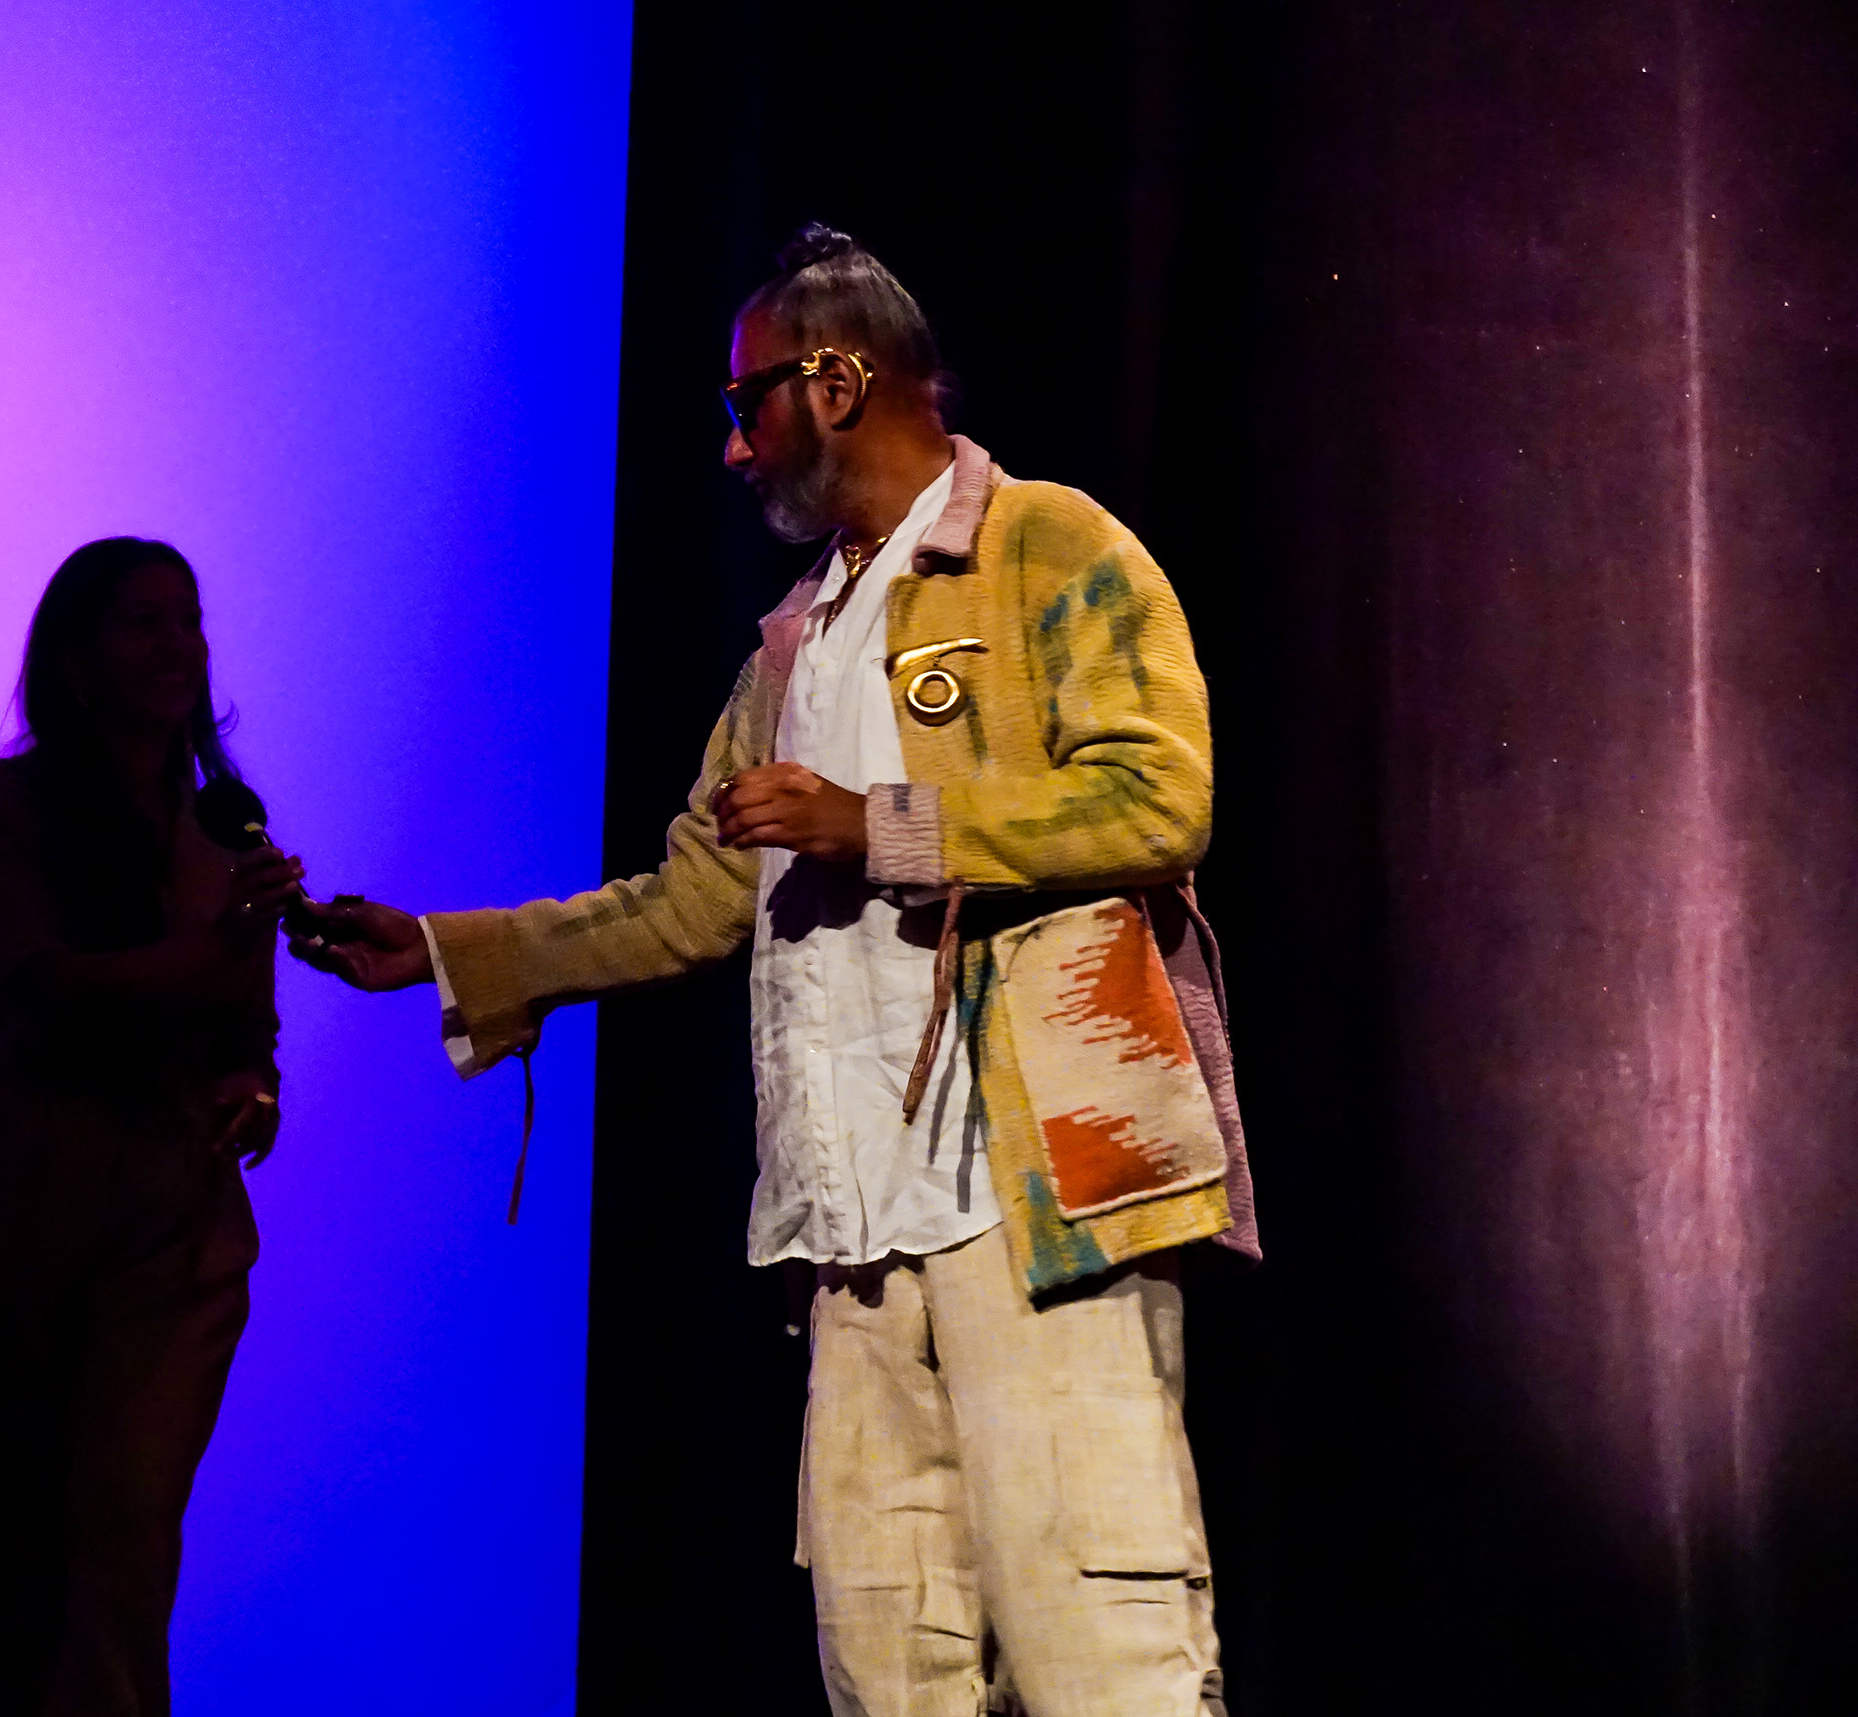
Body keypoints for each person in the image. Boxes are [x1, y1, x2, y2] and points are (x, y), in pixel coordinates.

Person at [297, 226, 1258, 1717]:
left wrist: (877, 826)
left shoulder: (1050, 547)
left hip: (1036, 1196)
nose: (733, 446)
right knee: (892, 1662)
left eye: (747, 404)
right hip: (855, 1222)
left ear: (834, 381)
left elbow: (1157, 800)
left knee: (1099, 1645)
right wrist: (445, 947)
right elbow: (694, 898)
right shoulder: (793, 645)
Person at [0, 536, 303, 1717]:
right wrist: (223, 942)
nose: (180, 644)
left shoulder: (221, 824)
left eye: (189, 618)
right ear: (73, 660)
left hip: (175, 1214)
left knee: (124, 1546)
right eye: (143, 621)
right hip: (22, 1194)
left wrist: (254, 1081)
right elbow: (38, 987)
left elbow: (245, 1026)